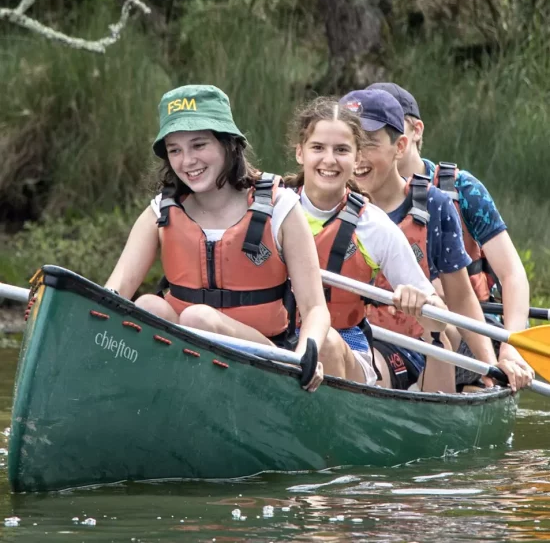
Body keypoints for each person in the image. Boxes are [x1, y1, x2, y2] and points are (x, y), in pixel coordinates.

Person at [104, 84, 330, 392]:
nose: (187, 161)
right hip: (183, 356)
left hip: (267, 360)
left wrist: (306, 352)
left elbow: (315, 307)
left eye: (199, 145)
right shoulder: (161, 210)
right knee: (147, 306)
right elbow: (113, 294)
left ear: (228, 144)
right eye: (175, 150)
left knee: (198, 317)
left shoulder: (281, 207)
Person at [342, 88, 531, 391]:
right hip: (368, 334)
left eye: (369, 141)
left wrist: (510, 348)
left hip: (457, 330)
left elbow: (510, 275)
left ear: (407, 137)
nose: (356, 155)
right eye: (349, 143)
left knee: (440, 297)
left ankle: (473, 384)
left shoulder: (453, 193)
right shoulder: (335, 198)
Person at [285, 96, 454, 393]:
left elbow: (439, 319)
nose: (329, 160)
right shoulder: (274, 206)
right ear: (300, 153)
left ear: (356, 156)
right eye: (318, 148)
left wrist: (421, 302)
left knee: (324, 343)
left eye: (341, 150)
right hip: (279, 337)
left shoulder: (373, 226)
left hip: (344, 343)